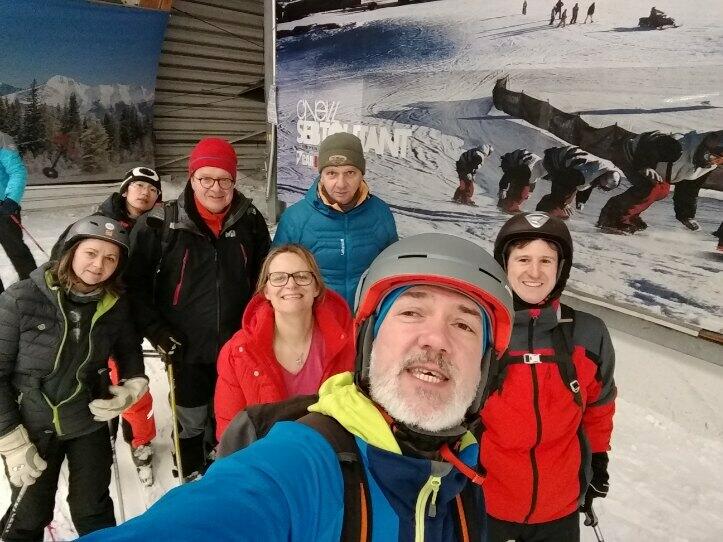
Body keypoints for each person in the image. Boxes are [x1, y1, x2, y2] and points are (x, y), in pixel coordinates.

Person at [82, 232, 516, 542]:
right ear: (372, 341)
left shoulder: (467, 480)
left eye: (464, 324)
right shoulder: (303, 462)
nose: (436, 339)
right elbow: (237, 490)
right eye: (411, 313)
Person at [125, 137, 271, 481]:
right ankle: (190, 473)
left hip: (237, 345)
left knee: (232, 417)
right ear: (191, 179)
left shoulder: (249, 221)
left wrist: (258, 328)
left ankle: (225, 476)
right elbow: (134, 287)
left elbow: (265, 281)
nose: (216, 188)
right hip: (185, 347)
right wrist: (157, 331)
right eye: (206, 178)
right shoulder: (160, 224)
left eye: (225, 179)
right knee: (190, 418)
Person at [0, 216, 147, 539]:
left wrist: (132, 386)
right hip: (32, 427)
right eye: (90, 253)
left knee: (93, 510)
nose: (98, 265)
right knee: (28, 515)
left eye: (110, 258)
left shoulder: (114, 304)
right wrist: (11, 441)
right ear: (70, 251)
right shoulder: (20, 299)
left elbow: (129, 349)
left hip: (87, 422)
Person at [480, 212, 616, 542]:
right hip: (483, 502)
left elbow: (599, 405)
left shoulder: (588, 332)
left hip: (559, 509)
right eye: (523, 259)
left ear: (561, 268)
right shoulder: (479, 328)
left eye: (546, 260)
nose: (534, 272)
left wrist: (598, 459)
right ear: (504, 264)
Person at [49, 166, 162, 485]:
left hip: (129, 319)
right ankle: (77, 437)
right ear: (125, 190)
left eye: (152, 190)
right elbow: (60, 265)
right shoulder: (94, 223)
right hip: (91, 319)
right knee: (81, 381)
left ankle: (140, 441)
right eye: (138, 186)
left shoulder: (159, 226)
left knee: (131, 385)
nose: (144, 193)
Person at [214, 244, 355, 439]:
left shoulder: (350, 341)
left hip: (335, 452)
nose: (291, 284)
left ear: (316, 287)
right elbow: (230, 434)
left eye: (302, 276)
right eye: (279, 278)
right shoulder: (237, 352)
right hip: (267, 455)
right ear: (266, 291)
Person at [273, 132, 397, 308]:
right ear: (321, 175)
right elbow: (277, 277)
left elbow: (392, 266)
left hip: (365, 314)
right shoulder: (295, 218)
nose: (341, 184)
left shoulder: (380, 213)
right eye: (332, 173)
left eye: (350, 173)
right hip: (316, 315)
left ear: (362, 173)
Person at [597, 130, 720, 233]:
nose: (713, 162)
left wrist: (686, 216)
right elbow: (650, 141)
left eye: (719, 161)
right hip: (631, 154)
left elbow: (688, 189)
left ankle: (630, 215)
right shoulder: (680, 146)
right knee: (651, 187)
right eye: (712, 157)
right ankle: (612, 216)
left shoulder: (707, 166)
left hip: (651, 167)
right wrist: (645, 165)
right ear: (706, 148)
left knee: (662, 191)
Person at [535, 146, 620, 219]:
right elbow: (561, 181)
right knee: (561, 200)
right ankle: (544, 215)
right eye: (601, 186)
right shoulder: (585, 175)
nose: (599, 187)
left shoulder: (602, 171)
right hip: (554, 160)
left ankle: (550, 210)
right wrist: (562, 203)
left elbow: (589, 184)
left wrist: (581, 201)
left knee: (566, 198)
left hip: (565, 163)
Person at [0, 131, 37, 295]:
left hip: (4, 209)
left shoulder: (2, 139)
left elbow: (17, 171)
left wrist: (11, 199)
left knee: (17, 253)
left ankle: (33, 292)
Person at [497, 149, 544, 214]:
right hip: (518, 165)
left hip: (521, 167)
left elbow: (534, 180)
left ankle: (508, 205)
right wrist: (503, 189)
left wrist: (530, 191)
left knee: (522, 191)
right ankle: (509, 206)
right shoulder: (529, 167)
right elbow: (508, 174)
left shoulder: (538, 169)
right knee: (520, 190)